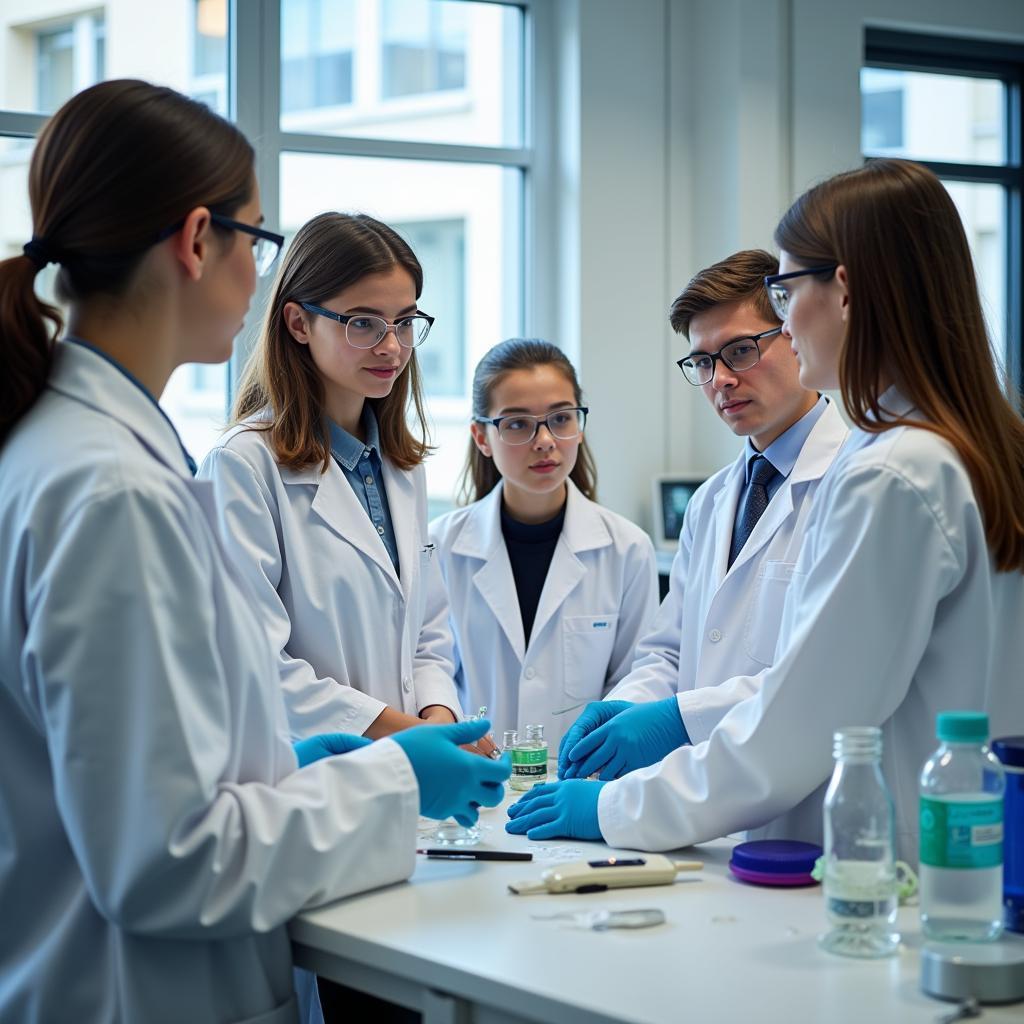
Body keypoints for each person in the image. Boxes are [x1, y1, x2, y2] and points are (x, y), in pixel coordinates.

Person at [0, 80, 508, 1024]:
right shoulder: (113, 488)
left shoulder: (73, 451)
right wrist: (391, 776)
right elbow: (170, 864)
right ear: (199, 242)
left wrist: (283, 760)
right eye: (258, 240)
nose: (259, 271)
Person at [507, 158, 1024, 860]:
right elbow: (697, 654)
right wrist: (644, 712)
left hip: (881, 862)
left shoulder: (893, 471)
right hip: (941, 852)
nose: (722, 378)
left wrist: (617, 806)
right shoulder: (959, 447)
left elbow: (799, 723)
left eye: (784, 296)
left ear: (843, 290)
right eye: (703, 364)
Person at [198, 212, 490, 751]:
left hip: (404, 776)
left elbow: (425, 631)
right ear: (298, 323)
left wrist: (441, 720)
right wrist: (417, 739)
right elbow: (253, 663)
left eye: (404, 322)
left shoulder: (402, 467)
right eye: (363, 322)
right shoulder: (243, 465)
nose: (392, 347)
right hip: (303, 777)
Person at [557, 249, 848, 784]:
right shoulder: (711, 501)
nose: (720, 380)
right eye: (703, 361)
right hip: (705, 801)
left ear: (795, 332)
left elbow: (820, 677)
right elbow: (670, 650)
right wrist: (626, 707)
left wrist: (676, 719)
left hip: (803, 796)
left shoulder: (850, 485)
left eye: (739, 351)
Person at [429, 338, 658, 750]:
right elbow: (432, 671)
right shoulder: (440, 547)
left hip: (583, 781)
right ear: (482, 437)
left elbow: (637, 680)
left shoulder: (627, 549)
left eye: (561, 419)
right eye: (517, 423)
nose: (545, 440)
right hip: (476, 778)